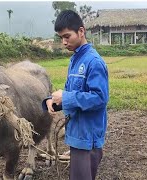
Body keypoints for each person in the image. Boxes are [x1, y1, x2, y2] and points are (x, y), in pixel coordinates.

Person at [42, 10, 109, 180]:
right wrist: (53, 102)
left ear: (81, 31)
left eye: (67, 36)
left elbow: (100, 98)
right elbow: (72, 93)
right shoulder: (75, 60)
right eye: (61, 38)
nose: (64, 42)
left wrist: (66, 97)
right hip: (76, 134)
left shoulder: (94, 62)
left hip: (87, 137)